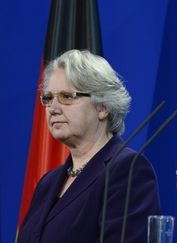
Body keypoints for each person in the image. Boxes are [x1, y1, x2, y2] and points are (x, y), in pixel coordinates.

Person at [17, 49, 161, 243]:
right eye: (48, 98)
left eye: (67, 96)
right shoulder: (47, 183)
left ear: (102, 107)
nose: (53, 108)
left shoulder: (127, 170)